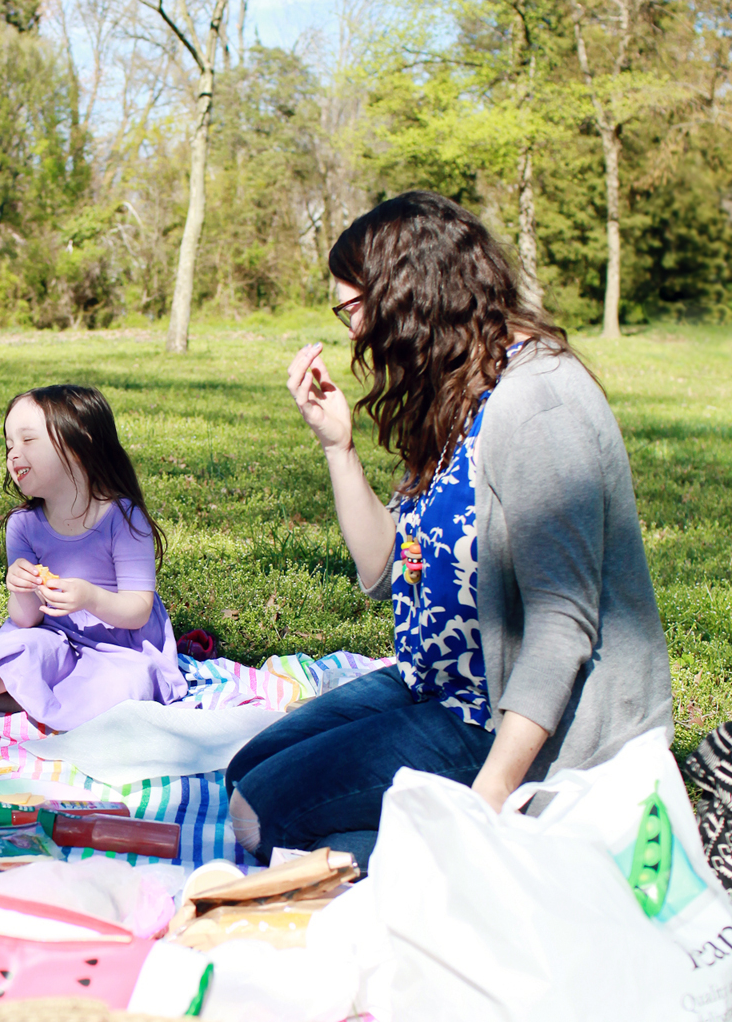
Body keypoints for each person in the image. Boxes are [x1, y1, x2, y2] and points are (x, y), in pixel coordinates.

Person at [225, 191, 672, 869]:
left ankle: (506, 857)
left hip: (504, 719)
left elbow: (562, 622)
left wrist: (488, 800)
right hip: (436, 683)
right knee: (249, 771)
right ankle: (414, 849)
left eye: (354, 309)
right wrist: (337, 446)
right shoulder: (457, 390)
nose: (352, 332)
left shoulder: (539, 401)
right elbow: (384, 572)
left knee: (261, 816)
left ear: (411, 294)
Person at [0, 384, 186, 730]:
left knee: (127, 684)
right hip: (54, 639)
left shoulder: (123, 516)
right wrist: (19, 586)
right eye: (9, 445)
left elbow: (137, 611)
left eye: (28, 441)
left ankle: (31, 700)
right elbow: (25, 620)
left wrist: (89, 597)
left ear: (79, 444)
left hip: (119, 648)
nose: (13, 454)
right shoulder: (23, 525)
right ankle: (35, 695)